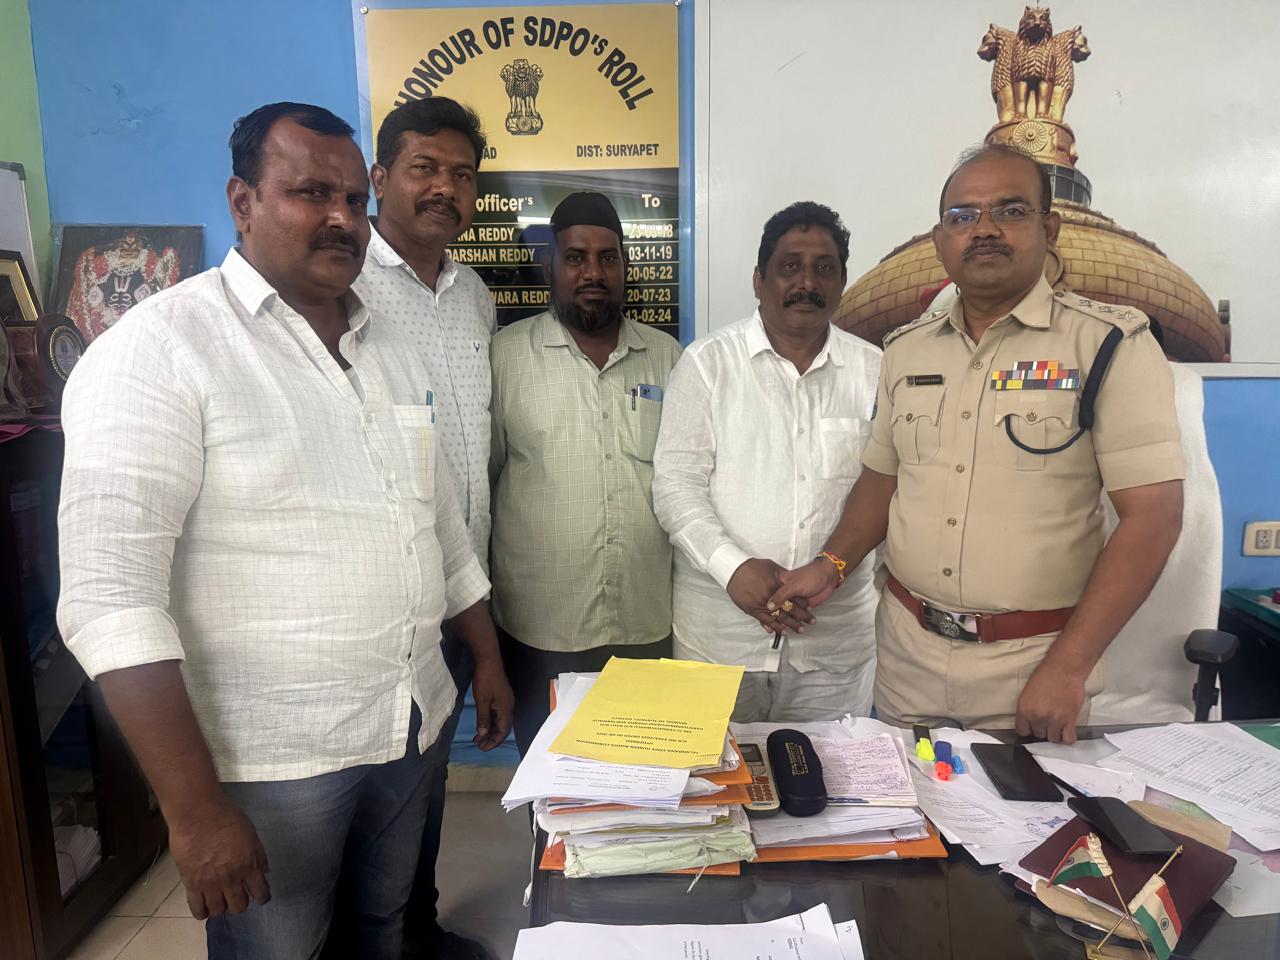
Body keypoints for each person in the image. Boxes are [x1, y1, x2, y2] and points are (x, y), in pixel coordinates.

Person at [56, 101, 512, 960]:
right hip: (275, 758)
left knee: (380, 931)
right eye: (310, 193)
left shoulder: (389, 351)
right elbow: (109, 600)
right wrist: (195, 812)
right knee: (281, 949)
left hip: (408, 719)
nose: (341, 218)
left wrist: (483, 657)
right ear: (243, 201)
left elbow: (441, 523)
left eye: (351, 199)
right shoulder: (161, 348)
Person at [772, 143, 1184, 744]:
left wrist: (1068, 669)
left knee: (1021, 809)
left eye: (1010, 211)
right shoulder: (905, 351)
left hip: (1030, 665)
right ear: (941, 240)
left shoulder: (1107, 345)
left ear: (1049, 229)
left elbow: (1154, 516)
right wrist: (830, 565)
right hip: (907, 658)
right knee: (912, 805)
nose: (984, 229)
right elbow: (884, 479)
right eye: (963, 216)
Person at [352, 95, 497, 960]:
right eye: (425, 168)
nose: (446, 187)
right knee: (371, 798)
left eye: (463, 175)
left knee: (427, 787)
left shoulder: (474, 295)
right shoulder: (342, 286)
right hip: (387, 602)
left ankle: (418, 930)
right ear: (380, 177)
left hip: (462, 595)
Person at [652, 202, 881, 721]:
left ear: (842, 282)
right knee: (718, 772)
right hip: (720, 642)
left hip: (834, 649)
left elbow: (886, 491)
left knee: (827, 773)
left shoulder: (876, 373)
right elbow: (675, 487)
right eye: (790, 266)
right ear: (759, 280)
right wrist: (732, 567)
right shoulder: (707, 364)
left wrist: (832, 569)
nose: (807, 282)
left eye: (824, 268)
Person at [489, 191, 682, 755]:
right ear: (551, 266)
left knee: (641, 776)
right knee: (552, 782)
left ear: (625, 267)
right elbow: (486, 481)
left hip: (646, 621)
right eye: (575, 258)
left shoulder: (669, 358)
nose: (592, 273)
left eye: (607, 258)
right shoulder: (506, 357)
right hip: (541, 627)